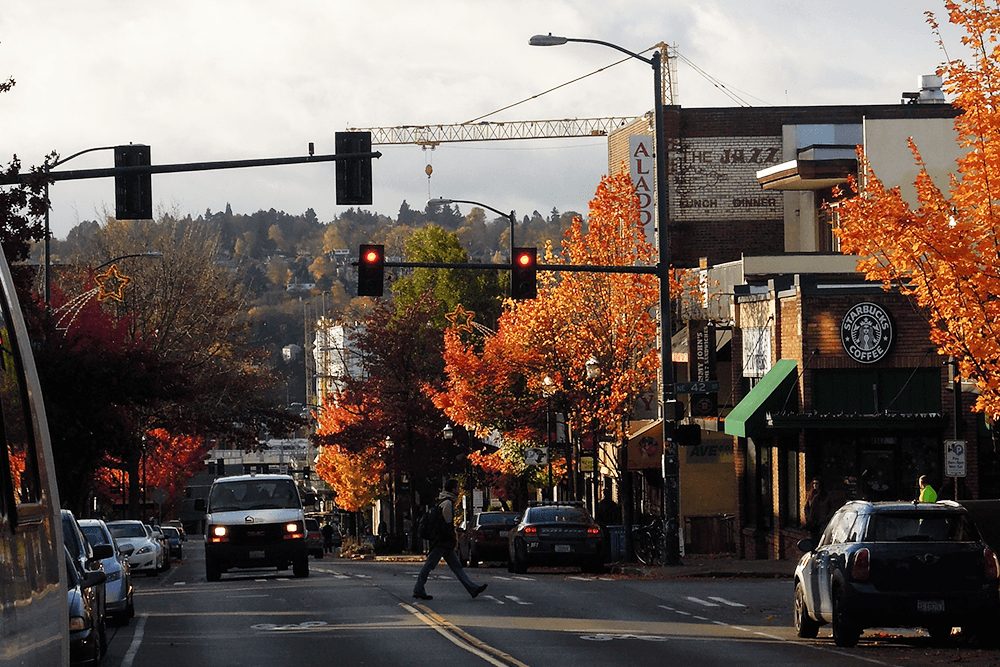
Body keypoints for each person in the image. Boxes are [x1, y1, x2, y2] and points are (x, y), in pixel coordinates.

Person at [412, 479, 488, 601]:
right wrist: (453, 539)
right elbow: (447, 524)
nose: (458, 490)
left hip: (444, 543)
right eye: (457, 487)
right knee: (429, 565)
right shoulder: (447, 503)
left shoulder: (444, 501)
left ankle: (472, 588)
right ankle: (418, 589)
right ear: (453, 489)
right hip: (442, 542)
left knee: (456, 566)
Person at [802, 478, 835, 544]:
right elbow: (807, 507)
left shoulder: (827, 496)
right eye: (814, 484)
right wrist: (808, 518)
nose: (815, 486)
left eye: (817, 484)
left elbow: (832, 508)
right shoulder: (811, 495)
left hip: (823, 522)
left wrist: (826, 518)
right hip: (813, 522)